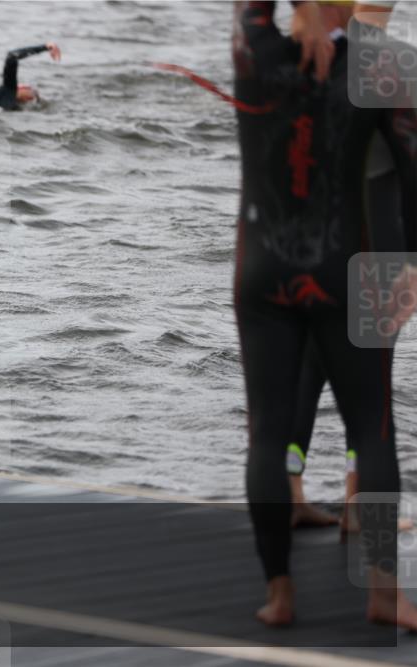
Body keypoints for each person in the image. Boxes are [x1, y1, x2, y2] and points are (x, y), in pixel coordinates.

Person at [232, 0, 417, 629]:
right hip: (360, 259)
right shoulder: (387, 69)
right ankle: (380, 579)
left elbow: (249, 12)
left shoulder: (257, 57)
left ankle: (281, 591)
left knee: (272, 422)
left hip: (265, 267)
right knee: (375, 425)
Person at [0, 42, 60, 110]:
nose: (32, 90)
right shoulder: (8, 89)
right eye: (28, 88)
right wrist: (45, 47)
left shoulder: (8, 102)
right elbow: (11, 56)